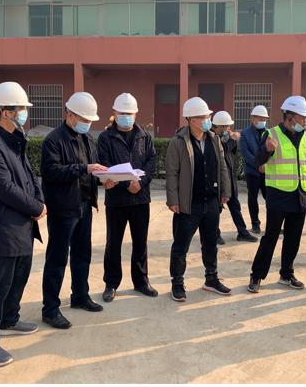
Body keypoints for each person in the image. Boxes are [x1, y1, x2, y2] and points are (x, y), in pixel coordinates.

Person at [0, 81, 46, 367]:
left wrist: (38, 200)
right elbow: (4, 188)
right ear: (4, 112)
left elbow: (29, 176)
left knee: (19, 276)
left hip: (22, 225)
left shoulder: (14, 138)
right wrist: (36, 207)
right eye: (20, 109)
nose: (24, 113)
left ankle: (8, 319)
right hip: (2, 228)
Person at [247, 96, 306, 293]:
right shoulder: (271, 134)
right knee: (270, 238)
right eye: (302, 118)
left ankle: (286, 274)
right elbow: (257, 161)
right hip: (279, 194)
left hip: (300, 195)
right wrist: (267, 150)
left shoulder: (305, 137)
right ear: (290, 117)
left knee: (293, 238)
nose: (305, 121)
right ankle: (257, 275)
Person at [40, 92, 108, 330]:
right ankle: (50, 308)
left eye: (90, 120)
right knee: (57, 259)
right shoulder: (53, 140)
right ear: (69, 114)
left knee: (82, 254)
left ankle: (80, 295)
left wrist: (105, 179)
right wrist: (83, 168)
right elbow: (51, 172)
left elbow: (92, 171)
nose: (87, 123)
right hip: (63, 208)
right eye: (83, 119)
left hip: (84, 205)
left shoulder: (88, 139)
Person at [166, 97, 232, 302]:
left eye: (207, 116)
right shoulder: (178, 142)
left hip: (211, 201)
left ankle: (211, 278)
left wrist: (225, 190)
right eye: (203, 117)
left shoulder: (214, 139)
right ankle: (177, 283)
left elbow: (222, 166)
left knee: (210, 243)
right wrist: (173, 200)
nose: (207, 120)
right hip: (188, 203)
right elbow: (172, 172)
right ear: (191, 119)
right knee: (181, 245)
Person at [97, 93, 158, 303]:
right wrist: (126, 183)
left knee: (140, 242)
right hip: (116, 201)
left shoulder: (144, 136)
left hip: (140, 199)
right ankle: (111, 283)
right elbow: (104, 164)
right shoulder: (105, 138)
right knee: (113, 243)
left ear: (135, 113)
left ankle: (141, 281)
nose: (126, 116)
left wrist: (140, 183)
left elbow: (152, 162)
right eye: (122, 113)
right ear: (114, 113)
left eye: (129, 113)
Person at [211, 110, 258, 245]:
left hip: (230, 178)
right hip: (218, 179)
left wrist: (232, 140)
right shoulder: (212, 138)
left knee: (235, 206)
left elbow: (231, 153)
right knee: (216, 208)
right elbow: (222, 151)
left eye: (228, 126)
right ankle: (215, 234)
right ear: (220, 126)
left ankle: (242, 232)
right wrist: (231, 139)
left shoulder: (227, 138)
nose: (228, 129)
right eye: (226, 126)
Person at [240, 105, 269, 234]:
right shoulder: (245, 133)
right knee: (253, 198)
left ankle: (273, 223)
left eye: (264, 119)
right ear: (253, 118)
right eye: (260, 118)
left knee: (270, 198)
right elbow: (245, 153)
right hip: (252, 172)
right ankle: (255, 224)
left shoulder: (269, 133)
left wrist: (266, 164)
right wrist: (258, 164)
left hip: (266, 172)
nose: (263, 121)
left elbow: (272, 152)